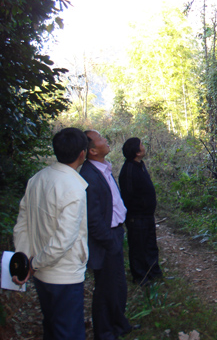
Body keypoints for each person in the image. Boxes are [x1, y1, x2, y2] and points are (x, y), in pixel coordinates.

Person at [12, 127, 89, 340]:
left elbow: (22, 224)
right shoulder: (74, 188)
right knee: (68, 331)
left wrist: (25, 259)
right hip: (63, 274)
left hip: (41, 274)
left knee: (52, 326)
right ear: (82, 154)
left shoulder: (37, 179)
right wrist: (35, 263)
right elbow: (63, 240)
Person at [79, 130, 134, 340]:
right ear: (92, 150)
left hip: (115, 233)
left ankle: (118, 323)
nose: (106, 140)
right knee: (105, 288)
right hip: (106, 238)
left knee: (117, 284)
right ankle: (104, 332)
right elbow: (92, 218)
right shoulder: (89, 176)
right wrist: (109, 240)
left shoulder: (103, 169)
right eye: (101, 139)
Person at [118, 137, 163, 286]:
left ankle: (154, 273)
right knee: (138, 247)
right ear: (136, 152)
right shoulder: (129, 170)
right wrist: (136, 211)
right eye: (141, 145)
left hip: (146, 216)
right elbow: (128, 195)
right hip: (137, 217)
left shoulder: (139, 165)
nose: (144, 147)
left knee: (150, 245)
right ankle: (140, 277)